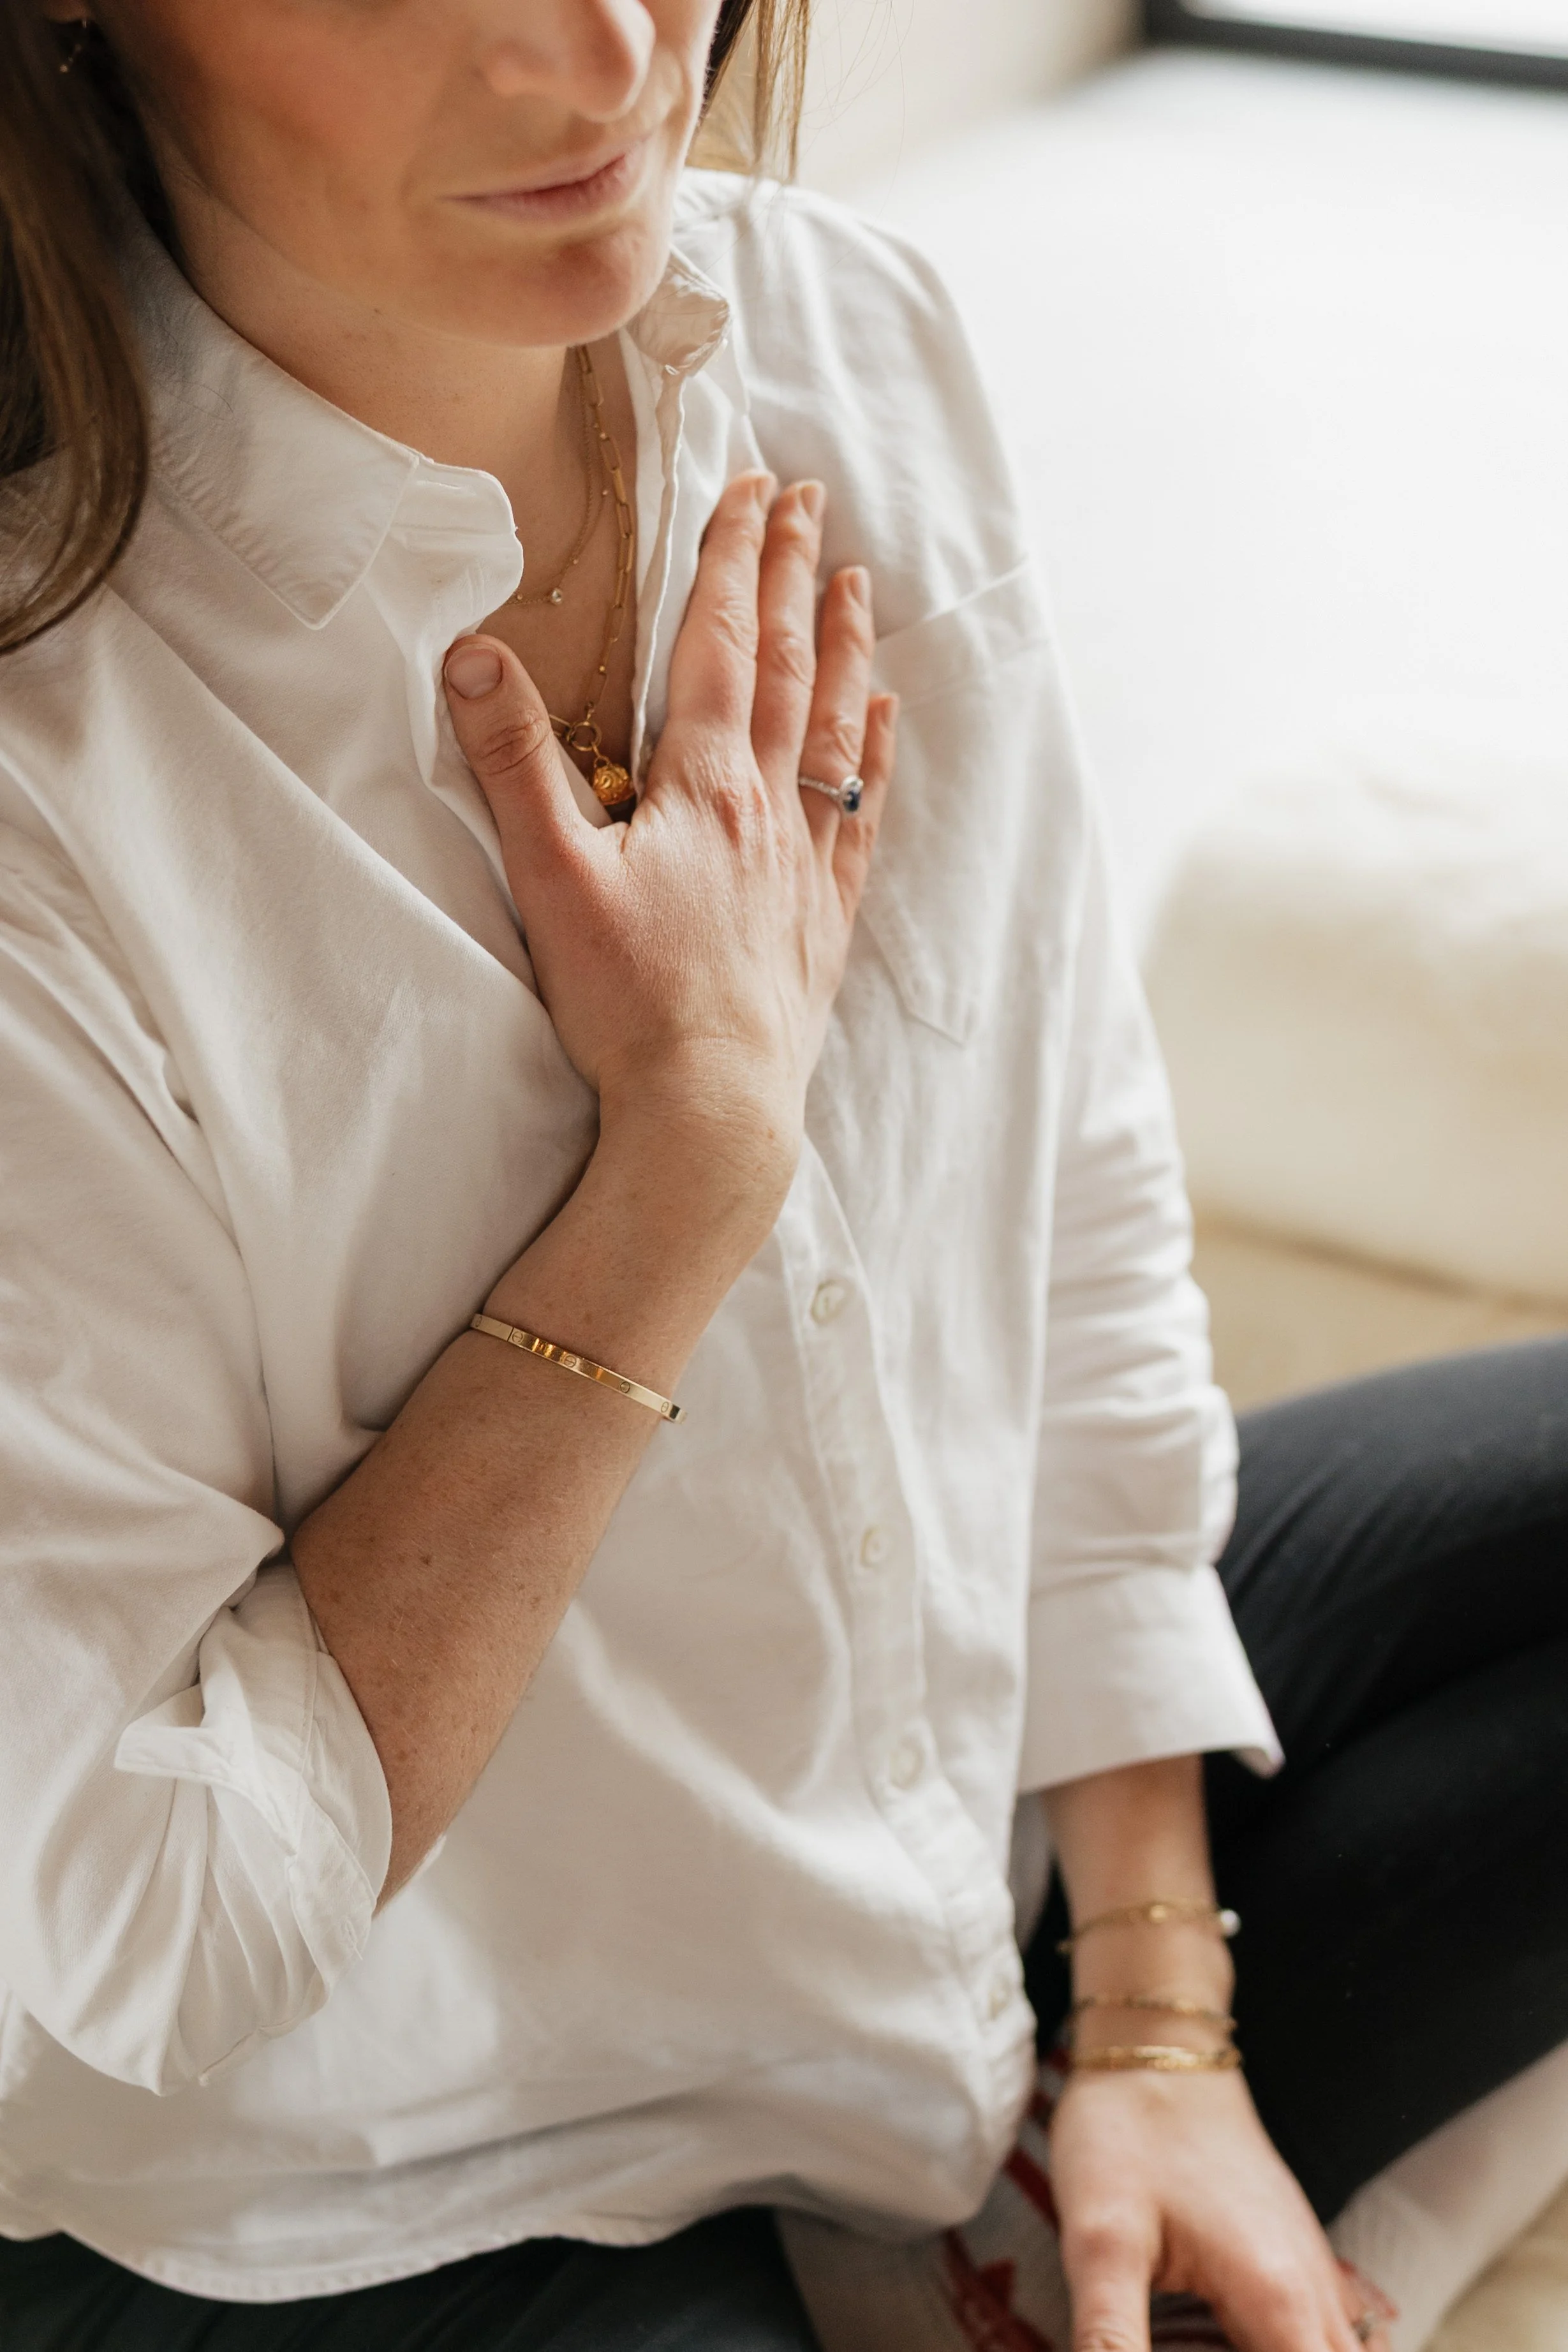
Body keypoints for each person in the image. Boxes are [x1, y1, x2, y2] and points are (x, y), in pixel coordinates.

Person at [1, 3, 1565, 2348]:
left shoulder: (853, 335)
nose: (617, 43)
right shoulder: (52, 769)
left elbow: (1067, 1196)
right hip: (400, 2177)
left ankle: (1062, 2222)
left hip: (933, 1929)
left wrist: (1162, 2020)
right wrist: (688, 1165)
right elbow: (150, 1918)